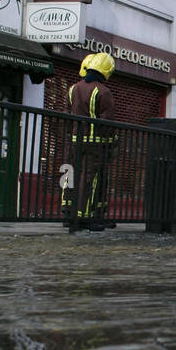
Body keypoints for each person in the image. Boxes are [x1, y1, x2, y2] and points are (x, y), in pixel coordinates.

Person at [65, 52, 117, 232]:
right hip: (96, 143)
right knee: (90, 180)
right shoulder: (103, 91)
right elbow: (107, 122)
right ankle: (84, 217)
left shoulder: (73, 89)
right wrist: (112, 142)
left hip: (75, 140)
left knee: (71, 175)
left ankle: (68, 212)